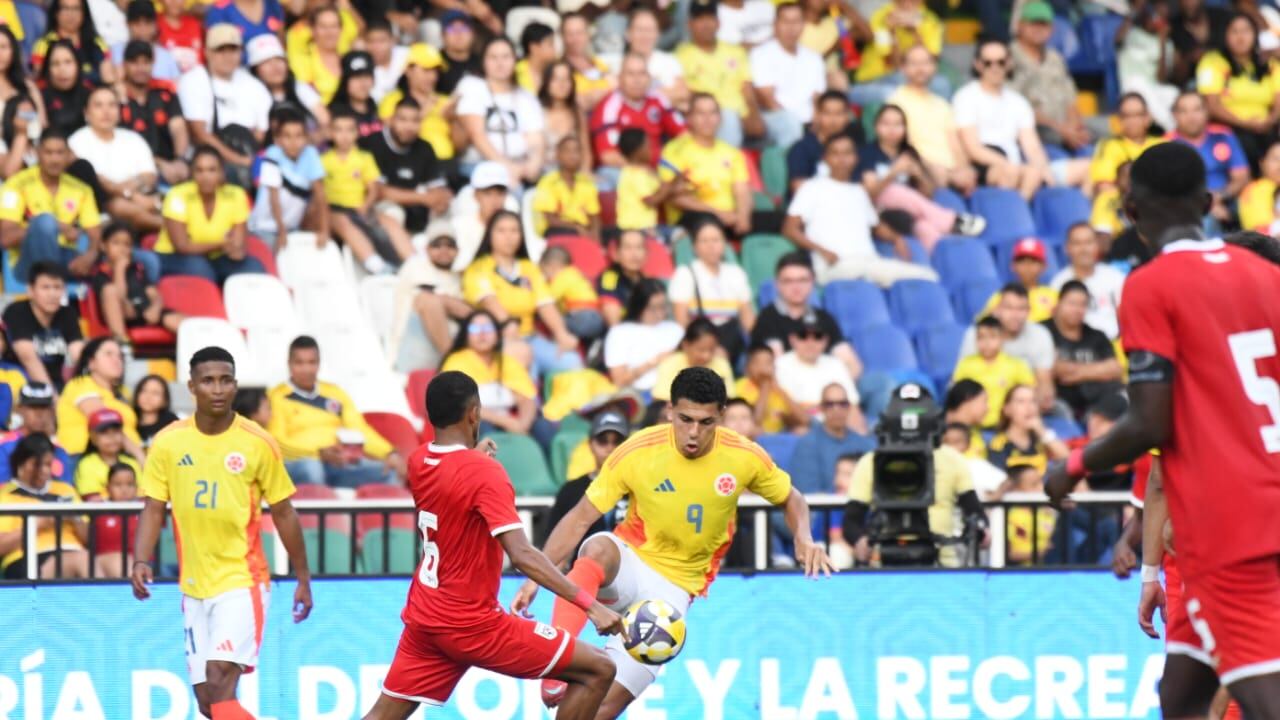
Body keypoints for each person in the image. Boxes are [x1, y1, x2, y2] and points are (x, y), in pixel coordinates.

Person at [1044, 140, 1280, 718]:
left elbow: (1151, 420)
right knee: (1181, 696)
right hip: (1255, 506)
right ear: (1207, 202)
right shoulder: (1264, 273)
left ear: (1131, 211)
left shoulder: (1151, 284)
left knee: (1263, 700)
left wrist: (1072, 466)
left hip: (1229, 525)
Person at [515, 365, 832, 714]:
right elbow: (579, 518)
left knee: (599, 710)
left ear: (721, 416)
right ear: (670, 411)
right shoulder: (638, 450)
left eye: (706, 422)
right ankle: (560, 658)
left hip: (674, 591)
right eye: (685, 419)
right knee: (598, 547)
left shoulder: (744, 456)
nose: (694, 432)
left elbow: (792, 498)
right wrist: (536, 577)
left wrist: (804, 537)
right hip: (630, 562)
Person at [360, 371, 621, 720]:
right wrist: (591, 606)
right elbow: (522, 555)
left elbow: (453, 483)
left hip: (426, 616)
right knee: (600, 668)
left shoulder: (419, 461)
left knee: (381, 715)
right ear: (474, 414)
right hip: (472, 624)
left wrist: (473, 459)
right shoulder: (484, 473)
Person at [132, 346, 313, 720]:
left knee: (218, 679)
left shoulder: (257, 441)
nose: (217, 389)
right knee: (207, 702)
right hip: (194, 585)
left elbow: (284, 512)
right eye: (208, 381)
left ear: (235, 385)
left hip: (242, 581)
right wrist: (140, 559)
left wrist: (303, 577)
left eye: (225, 380)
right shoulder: (167, 442)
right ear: (191, 386)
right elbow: (153, 506)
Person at [785, 133, 939, 285]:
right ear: (825, 158)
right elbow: (790, 229)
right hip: (834, 264)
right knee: (923, 278)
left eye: (847, 153)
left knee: (929, 277)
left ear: (856, 158)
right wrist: (822, 251)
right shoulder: (812, 188)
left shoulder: (859, 192)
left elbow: (876, 226)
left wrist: (896, 238)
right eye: (835, 153)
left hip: (868, 262)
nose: (842, 159)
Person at [751, 252, 892, 419]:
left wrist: (834, 392)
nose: (796, 287)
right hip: (795, 393)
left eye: (802, 280)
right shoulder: (767, 318)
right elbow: (776, 369)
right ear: (777, 284)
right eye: (788, 281)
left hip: (834, 387)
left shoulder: (824, 318)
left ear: (812, 282)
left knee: (882, 383)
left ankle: (875, 430)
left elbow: (851, 363)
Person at [268, 335, 404, 488]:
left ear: (319, 364)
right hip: (301, 463)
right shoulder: (276, 396)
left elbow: (359, 430)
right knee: (313, 469)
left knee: (388, 471)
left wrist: (389, 452)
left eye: (312, 362)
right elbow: (277, 442)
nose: (306, 369)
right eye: (299, 363)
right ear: (289, 364)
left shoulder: (336, 393)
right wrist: (318, 453)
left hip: (338, 463)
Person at [461, 209, 583, 376]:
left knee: (572, 362)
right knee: (525, 367)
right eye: (501, 231)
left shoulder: (529, 268)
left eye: (514, 231)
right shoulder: (478, 268)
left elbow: (545, 303)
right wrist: (509, 326)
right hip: (499, 340)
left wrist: (561, 334)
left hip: (531, 337)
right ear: (490, 235)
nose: (509, 237)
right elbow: (490, 302)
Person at [857, 104, 986, 252]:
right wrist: (893, 172)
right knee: (894, 190)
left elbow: (927, 194)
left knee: (926, 229)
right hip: (881, 210)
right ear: (876, 126)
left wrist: (918, 175)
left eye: (897, 124)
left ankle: (944, 258)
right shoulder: (867, 153)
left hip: (910, 213)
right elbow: (870, 192)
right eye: (886, 124)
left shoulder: (909, 153)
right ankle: (951, 222)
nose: (892, 129)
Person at [952, 38, 1051, 200]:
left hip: (1014, 164)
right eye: (988, 63)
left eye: (1001, 62)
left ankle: (1020, 206)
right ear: (978, 65)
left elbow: (1032, 146)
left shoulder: (1018, 101)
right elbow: (973, 148)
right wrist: (1006, 164)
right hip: (983, 165)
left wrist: (1043, 169)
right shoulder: (966, 97)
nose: (995, 67)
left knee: (1037, 173)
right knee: (1016, 173)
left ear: (1009, 63)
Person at [0, 129, 102, 281]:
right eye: (48, 152)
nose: (55, 159)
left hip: (65, 257)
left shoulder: (81, 189)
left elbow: (95, 233)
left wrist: (90, 255)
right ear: (37, 153)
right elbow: (6, 239)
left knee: (127, 255)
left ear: (69, 155)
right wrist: (53, 226)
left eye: (60, 153)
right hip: (27, 263)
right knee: (45, 222)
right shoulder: (16, 185)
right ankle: (51, 282)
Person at [440, 310, 552, 445]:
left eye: (487, 328)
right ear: (466, 335)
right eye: (474, 329)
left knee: (543, 427)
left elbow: (527, 397)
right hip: (475, 421)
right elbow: (462, 405)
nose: (482, 333)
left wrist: (523, 425)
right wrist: (506, 422)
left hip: (507, 419)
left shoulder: (505, 361)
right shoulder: (456, 361)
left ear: (498, 335)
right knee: (480, 427)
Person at [158, 145, 265, 283]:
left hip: (216, 258)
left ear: (222, 173)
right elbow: (182, 246)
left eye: (212, 170)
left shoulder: (236, 195)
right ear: (192, 173)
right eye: (199, 170)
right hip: (173, 257)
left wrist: (235, 248)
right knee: (201, 269)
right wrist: (222, 244)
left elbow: (238, 247)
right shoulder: (177, 195)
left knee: (254, 268)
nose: (205, 177)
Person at [177, 24, 272, 172]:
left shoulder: (254, 84)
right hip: (209, 159)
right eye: (221, 50)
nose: (228, 56)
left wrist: (250, 160)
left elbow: (260, 133)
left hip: (248, 152)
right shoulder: (194, 80)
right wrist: (241, 160)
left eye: (233, 50)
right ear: (207, 53)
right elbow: (200, 134)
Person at [69, 85, 163, 233]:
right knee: (118, 205)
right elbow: (96, 181)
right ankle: (170, 228)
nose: (106, 111)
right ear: (86, 112)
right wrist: (130, 195)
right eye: (98, 105)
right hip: (100, 205)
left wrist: (131, 191)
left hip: (141, 197)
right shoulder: (77, 141)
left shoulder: (133, 138)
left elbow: (149, 175)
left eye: (112, 105)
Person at [324, 106, 406, 274]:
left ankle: (413, 263)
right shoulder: (323, 160)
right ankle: (377, 265)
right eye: (339, 130)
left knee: (389, 221)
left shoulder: (364, 158)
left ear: (357, 132)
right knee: (341, 221)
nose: (344, 136)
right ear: (330, 133)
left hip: (361, 207)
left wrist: (366, 206)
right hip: (335, 210)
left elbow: (373, 188)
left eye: (350, 130)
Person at [659, 93, 755, 235]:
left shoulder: (731, 152)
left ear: (720, 118)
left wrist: (743, 217)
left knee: (776, 220)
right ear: (689, 118)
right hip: (693, 216)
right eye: (700, 113)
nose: (707, 119)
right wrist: (718, 213)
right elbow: (673, 196)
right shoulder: (674, 150)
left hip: (731, 217)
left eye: (712, 113)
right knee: (708, 221)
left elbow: (742, 191)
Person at [887, 45, 978, 195]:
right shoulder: (896, 102)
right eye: (914, 63)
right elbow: (902, 146)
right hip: (923, 174)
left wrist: (964, 169)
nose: (920, 69)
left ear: (934, 67)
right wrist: (943, 173)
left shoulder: (942, 104)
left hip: (953, 173)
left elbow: (955, 144)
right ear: (903, 68)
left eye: (925, 63)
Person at [1195, 12, 1280, 171]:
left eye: (1246, 31)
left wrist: (1269, 121)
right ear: (1224, 34)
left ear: (1255, 34)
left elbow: (1278, 101)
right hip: (1229, 129)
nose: (1240, 37)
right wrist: (1246, 123)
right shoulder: (1212, 62)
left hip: (1267, 128)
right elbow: (1212, 105)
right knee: (1246, 144)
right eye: (1234, 31)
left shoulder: (1269, 65)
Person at [456, 36, 545, 185]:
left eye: (505, 57)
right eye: (493, 57)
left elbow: (536, 140)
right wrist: (507, 168)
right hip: (480, 165)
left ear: (515, 60)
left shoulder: (526, 97)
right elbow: (476, 135)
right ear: (483, 61)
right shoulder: (472, 86)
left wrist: (532, 166)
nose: (500, 63)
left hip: (519, 166)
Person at [666, 217, 755, 364]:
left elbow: (747, 318)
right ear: (694, 246)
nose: (711, 246)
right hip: (700, 340)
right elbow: (682, 321)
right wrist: (709, 348)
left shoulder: (736, 273)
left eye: (716, 240)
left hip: (732, 340)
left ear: (724, 244)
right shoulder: (685, 273)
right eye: (704, 241)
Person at [0, 432, 88, 578]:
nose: (45, 471)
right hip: (28, 557)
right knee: (82, 561)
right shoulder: (4, 496)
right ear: (21, 463)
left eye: (48, 464)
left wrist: (75, 518)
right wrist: (38, 524)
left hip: (75, 550)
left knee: (116, 561)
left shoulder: (66, 490)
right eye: (37, 465)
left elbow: (91, 540)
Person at [363, 96, 451, 242]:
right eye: (402, 120)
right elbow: (379, 192)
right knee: (394, 212)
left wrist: (438, 200)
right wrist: (423, 198)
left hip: (417, 206)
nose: (409, 127)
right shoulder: (374, 143)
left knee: (445, 209)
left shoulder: (425, 147)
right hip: (379, 207)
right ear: (391, 120)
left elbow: (437, 189)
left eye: (415, 121)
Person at [1010, 1, 1093, 153]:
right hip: (1032, 137)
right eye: (1033, 23)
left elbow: (1070, 99)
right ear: (1020, 25)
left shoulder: (1055, 58)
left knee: (1094, 152)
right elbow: (1016, 108)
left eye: (1043, 24)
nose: (1038, 29)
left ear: (1052, 29)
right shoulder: (1007, 58)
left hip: (1066, 133)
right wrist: (1061, 129)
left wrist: (1074, 128)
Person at [387, 221, 472, 372]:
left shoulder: (459, 278)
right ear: (427, 249)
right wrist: (470, 312)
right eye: (437, 245)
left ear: (458, 250)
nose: (444, 250)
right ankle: (452, 364)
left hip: (448, 347)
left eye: (450, 245)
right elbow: (435, 301)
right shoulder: (416, 266)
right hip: (413, 349)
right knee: (429, 301)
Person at [675, 0, 760, 148]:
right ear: (689, 24)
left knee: (785, 121)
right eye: (700, 19)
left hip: (744, 116)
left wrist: (754, 116)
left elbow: (747, 89)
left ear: (718, 23)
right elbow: (686, 94)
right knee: (728, 118)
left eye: (710, 18)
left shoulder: (735, 51)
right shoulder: (680, 56)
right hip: (711, 118)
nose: (706, 24)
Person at [961, 283, 1057, 411]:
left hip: (1025, 403)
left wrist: (1037, 402)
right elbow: (964, 380)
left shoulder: (1040, 334)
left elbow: (1044, 381)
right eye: (1009, 308)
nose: (1015, 315)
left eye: (1021, 309)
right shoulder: (977, 334)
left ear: (1029, 311)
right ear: (997, 309)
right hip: (981, 403)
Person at [543, 409, 631, 547]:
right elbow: (554, 543)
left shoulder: (639, 487)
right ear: (590, 444)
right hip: (582, 559)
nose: (610, 448)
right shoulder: (571, 490)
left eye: (617, 441)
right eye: (603, 441)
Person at [589, 54, 685, 175]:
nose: (637, 80)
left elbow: (684, 135)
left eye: (642, 74)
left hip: (660, 167)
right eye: (631, 74)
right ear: (620, 78)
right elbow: (608, 156)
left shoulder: (658, 99)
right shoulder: (610, 107)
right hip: (624, 170)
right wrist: (643, 173)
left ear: (649, 78)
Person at [248, 108, 329, 249]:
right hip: (263, 227)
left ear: (307, 138)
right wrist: (281, 230)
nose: (293, 142)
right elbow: (274, 198)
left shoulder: (311, 154)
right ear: (278, 140)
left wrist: (324, 230)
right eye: (287, 136)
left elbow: (320, 196)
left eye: (299, 136)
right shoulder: (272, 154)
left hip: (292, 227)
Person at [749, 2, 825, 150]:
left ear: (803, 25)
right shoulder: (761, 54)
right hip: (776, 119)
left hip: (809, 123)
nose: (791, 28)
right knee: (789, 123)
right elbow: (768, 101)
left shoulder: (814, 58)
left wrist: (817, 122)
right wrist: (798, 124)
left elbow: (817, 99)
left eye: (796, 21)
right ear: (775, 25)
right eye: (785, 21)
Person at [89, 222, 182, 343]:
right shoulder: (101, 273)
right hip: (124, 316)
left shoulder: (137, 269)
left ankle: (201, 347)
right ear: (103, 246)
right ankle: (122, 344)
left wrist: (155, 309)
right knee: (110, 291)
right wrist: (119, 270)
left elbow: (154, 294)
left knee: (180, 322)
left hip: (146, 312)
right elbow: (121, 300)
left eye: (127, 244)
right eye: (116, 243)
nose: (122, 249)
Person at [1043, 281, 1123, 419]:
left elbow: (1115, 369)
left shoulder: (1097, 336)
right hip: (1059, 403)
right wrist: (1098, 371)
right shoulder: (1043, 332)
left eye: (1083, 304)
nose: (1077, 309)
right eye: (1072, 303)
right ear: (1059, 303)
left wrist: (1074, 373)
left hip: (1099, 401)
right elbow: (1054, 369)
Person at [1167, 91, 1249, 225]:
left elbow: (1241, 177)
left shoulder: (1223, 135)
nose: (1191, 117)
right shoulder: (1165, 144)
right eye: (1183, 111)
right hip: (1187, 208)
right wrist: (1205, 204)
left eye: (1197, 110)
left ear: (1207, 112)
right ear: (1174, 115)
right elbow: (1168, 188)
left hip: (1227, 201)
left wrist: (1219, 196)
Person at [775, 316, 868, 431]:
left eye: (817, 336)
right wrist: (826, 408)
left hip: (837, 422)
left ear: (826, 340)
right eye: (803, 335)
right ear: (792, 339)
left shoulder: (835, 364)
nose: (810, 342)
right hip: (803, 424)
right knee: (800, 429)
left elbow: (852, 404)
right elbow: (788, 409)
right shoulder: (781, 364)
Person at [56, 336, 144, 457]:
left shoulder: (124, 392)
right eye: (108, 354)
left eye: (120, 356)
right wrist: (140, 456)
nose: (117, 360)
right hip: (84, 457)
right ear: (91, 363)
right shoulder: (80, 384)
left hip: (122, 458)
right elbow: (107, 422)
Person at [119, 40, 190, 186]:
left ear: (153, 63)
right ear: (124, 65)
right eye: (135, 63)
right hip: (131, 168)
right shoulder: (116, 96)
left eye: (146, 62)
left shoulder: (165, 91)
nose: (141, 68)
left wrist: (180, 160)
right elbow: (121, 144)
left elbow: (178, 128)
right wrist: (160, 164)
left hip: (170, 165)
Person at [2, 263, 83, 390]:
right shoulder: (17, 312)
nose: (52, 294)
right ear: (31, 290)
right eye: (45, 287)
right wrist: (52, 396)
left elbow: (79, 353)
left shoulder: (68, 313)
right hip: (19, 382)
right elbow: (28, 358)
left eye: (57, 287)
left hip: (57, 383)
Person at [850, 0, 944, 108]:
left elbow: (929, 63)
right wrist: (892, 31)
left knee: (940, 84)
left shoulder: (930, 20)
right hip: (875, 79)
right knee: (899, 87)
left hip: (909, 78)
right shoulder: (882, 16)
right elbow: (893, 63)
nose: (907, 3)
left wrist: (914, 31)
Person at [1089, 93, 1162, 224]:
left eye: (1137, 115)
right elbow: (1104, 185)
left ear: (1148, 117)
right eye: (1126, 116)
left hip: (1157, 199)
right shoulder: (1108, 146)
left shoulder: (1162, 144)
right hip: (1122, 204)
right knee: (1105, 199)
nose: (1132, 121)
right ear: (1119, 119)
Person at [952, 315, 1036, 428]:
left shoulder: (1016, 365)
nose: (986, 343)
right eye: (981, 337)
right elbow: (958, 399)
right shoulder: (966, 365)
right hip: (973, 427)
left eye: (992, 337)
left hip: (1006, 427)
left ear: (1003, 338)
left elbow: (1029, 398)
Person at [376, 43, 455, 163]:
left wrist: (454, 120)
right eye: (426, 70)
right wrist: (422, 113)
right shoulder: (392, 100)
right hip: (409, 163)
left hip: (446, 162)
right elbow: (389, 136)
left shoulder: (445, 101)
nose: (432, 77)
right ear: (408, 70)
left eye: (435, 71)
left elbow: (460, 145)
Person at [789, 382, 875, 492]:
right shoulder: (807, 445)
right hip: (824, 503)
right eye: (829, 404)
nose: (836, 409)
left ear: (849, 407)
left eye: (842, 404)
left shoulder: (866, 444)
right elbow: (808, 493)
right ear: (821, 408)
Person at [603, 278, 683, 395]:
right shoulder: (620, 333)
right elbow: (619, 381)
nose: (660, 313)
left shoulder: (676, 329)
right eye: (653, 308)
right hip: (639, 393)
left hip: (678, 391)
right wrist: (654, 362)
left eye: (663, 306)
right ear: (639, 306)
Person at [1049, 223, 1124, 339]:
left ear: (1097, 245)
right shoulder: (1058, 283)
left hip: (1116, 342)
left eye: (1088, 242)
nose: (1083, 249)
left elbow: (1126, 315)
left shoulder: (1115, 277)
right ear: (1067, 248)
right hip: (1078, 346)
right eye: (1077, 243)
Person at [786, 90, 865, 193]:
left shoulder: (857, 147)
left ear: (847, 116)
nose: (833, 120)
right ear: (818, 115)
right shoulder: (802, 149)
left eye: (839, 114)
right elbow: (798, 187)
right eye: (827, 113)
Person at [1117, 0, 1179, 131]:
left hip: (1153, 87)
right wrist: (1135, 10)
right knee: (1141, 85)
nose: (1157, 19)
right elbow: (1117, 40)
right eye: (1156, 14)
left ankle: (1177, 126)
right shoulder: (1132, 34)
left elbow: (1161, 79)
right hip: (1132, 87)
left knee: (1174, 93)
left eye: (1162, 17)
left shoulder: (1167, 44)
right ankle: (1172, 130)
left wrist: (1162, 42)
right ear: (1147, 14)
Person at [249, 34, 327, 133]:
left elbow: (325, 121)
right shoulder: (251, 96)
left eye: (279, 59)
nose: (275, 66)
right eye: (267, 62)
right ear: (255, 70)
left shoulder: (300, 87)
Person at [651, 318, 736, 401]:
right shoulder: (670, 363)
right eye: (701, 350)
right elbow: (660, 400)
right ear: (685, 345)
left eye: (712, 350)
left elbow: (729, 400)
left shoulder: (722, 365)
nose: (706, 356)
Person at [0, 383, 72, 481]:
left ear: (52, 411)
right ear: (20, 409)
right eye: (33, 407)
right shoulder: (4, 447)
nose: (39, 414)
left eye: (44, 408)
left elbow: (65, 487)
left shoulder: (59, 450)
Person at [533, 136, 601, 239]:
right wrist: (577, 228)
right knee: (570, 234)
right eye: (567, 151)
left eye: (576, 151)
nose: (572, 156)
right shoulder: (548, 182)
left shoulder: (587, 183)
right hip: (557, 230)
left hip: (583, 229)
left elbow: (594, 216)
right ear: (557, 155)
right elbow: (550, 219)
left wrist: (596, 235)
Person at [31, 0, 114, 84]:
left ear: (84, 13)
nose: (71, 14)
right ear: (56, 13)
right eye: (65, 8)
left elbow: (108, 76)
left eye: (76, 8)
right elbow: (37, 77)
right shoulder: (44, 43)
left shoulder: (97, 42)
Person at [980, 237, 1057, 323]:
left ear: (1044, 266)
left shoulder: (1053, 296)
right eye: (1021, 261)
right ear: (1013, 266)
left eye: (1033, 261)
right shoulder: (1001, 297)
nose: (1027, 266)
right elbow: (983, 324)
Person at [735, 342, 805, 433]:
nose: (763, 368)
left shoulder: (779, 389)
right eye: (757, 363)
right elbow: (755, 420)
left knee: (802, 430)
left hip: (779, 435)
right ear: (747, 368)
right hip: (752, 437)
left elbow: (804, 420)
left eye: (768, 363)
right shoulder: (741, 386)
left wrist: (781, 392)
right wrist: (765, 386)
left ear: (774, 367)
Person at [72, 406, 140, 499]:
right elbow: (92, 499)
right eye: (104, 432)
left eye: (116, 431)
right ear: (93, 437)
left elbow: (142, 496)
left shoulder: (132, 462)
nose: (112, 437)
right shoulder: (87, 464)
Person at [625, 8, 688, 106]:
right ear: (628, 34)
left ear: (658, 34)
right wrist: (666, 93)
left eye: (649, 30)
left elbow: (683, 93)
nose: (645, 35)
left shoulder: (670, 61)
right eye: (639, 29)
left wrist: (637, 94)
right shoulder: (617, 63)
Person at [108, 0, 179, 81]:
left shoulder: (166, 57)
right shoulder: (115, 52)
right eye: (136, 23)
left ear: (155, 25)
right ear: (127, 24)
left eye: (148, 23)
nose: (142, 29)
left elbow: (175, 85)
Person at [89, 461, 138, 577]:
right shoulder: (98, 508)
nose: (124, 490)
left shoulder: (144, 509)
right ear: (108, 488)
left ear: (136, 488)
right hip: (105, 564)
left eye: (130, 484)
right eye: (118, 485)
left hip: (142, 564)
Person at [39, 40, 94, 136]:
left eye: (68, 62)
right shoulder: (39, 96)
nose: (62, 69)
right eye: (55, 64)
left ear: (78, 65)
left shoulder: (90, 93)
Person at [597, 229, 651, 326]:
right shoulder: (609, 278)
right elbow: (614, 324)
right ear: (616, 254)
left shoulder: (647, 280)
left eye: (639, 247)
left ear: (647, 254)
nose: (635, 254)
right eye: (627, 248)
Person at [561, 12, 615, 109]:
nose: (575, 39)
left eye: (579, 33)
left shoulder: (599, 63)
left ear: (588, 35)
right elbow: (575, 103)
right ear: (563, 37)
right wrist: (608, 89)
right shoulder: (559, 67)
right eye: (570, 34)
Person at [202, 0, 286, 57]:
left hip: (274, 71)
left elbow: (281, 44)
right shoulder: (220, 10)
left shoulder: (272, 3)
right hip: (237, 73)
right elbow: (216, 54)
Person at [329, 50, 381, 139]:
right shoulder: (335, 113)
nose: (363, 84)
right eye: (356, 77)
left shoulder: (375, 106)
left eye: (367, 77)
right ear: (345, 82)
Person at [435, 10, 482, 96]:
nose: (458, 34)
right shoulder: (434, 62)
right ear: (442, 35)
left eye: (464, 29)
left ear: (473, 34)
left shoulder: (482, 63)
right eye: (452, 29)